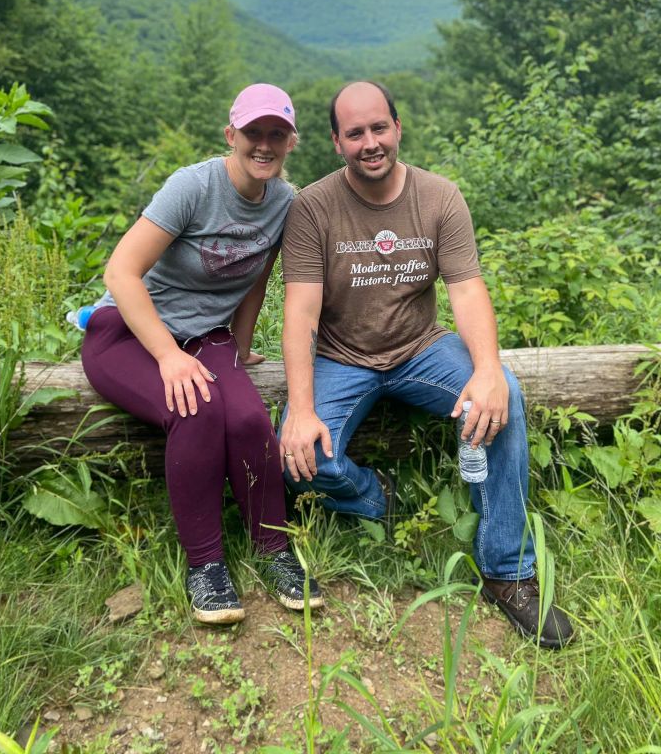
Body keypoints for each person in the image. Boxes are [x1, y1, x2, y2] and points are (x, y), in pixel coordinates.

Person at [278, 80, 573, 649]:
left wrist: (487, 370)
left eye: (379, 128)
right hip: (341, 356)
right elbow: (301, 313)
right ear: (336, 142)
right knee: (298, 456)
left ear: (397, 127)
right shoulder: (313, 207)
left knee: (505, 399)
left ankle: (507, 572)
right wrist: (303, 408)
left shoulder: (439, 197)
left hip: (422, 349)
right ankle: (377, 497)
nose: (370, 142)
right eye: (355, 133)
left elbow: (466, 289)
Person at [81, 83, 323, 624]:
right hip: (127, 332)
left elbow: (256, 279)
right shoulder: (192, 186)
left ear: (291, 142)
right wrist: (168, 356)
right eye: (253, 132)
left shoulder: (284, 202)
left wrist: (239, 347)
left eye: (277, 134)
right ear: (231, 135)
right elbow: (120, 273)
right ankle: (206, 565)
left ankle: (274, 548)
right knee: (196, 407)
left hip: (205, 337)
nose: (264, 144)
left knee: (249, 418)